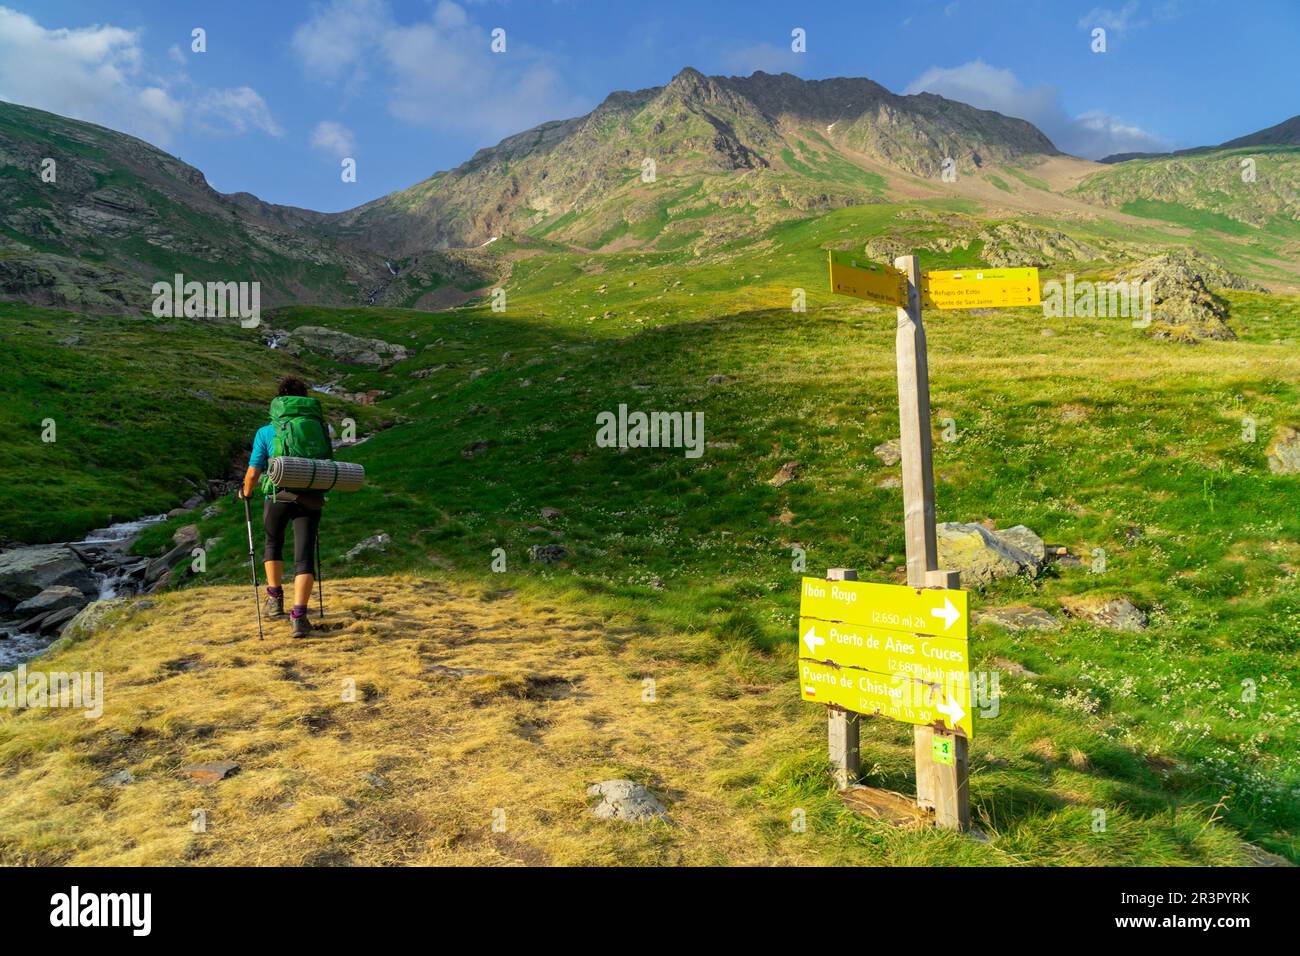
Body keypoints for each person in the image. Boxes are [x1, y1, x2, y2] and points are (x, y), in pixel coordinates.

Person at [239, 377, 330, 638]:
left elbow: (254, 471)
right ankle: (299, 617)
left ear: (279, 401)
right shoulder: (319, 428)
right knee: (304, 556)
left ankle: (274, 599)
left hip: (278, 496)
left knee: (272, 544)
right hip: (311, 496)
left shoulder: (267, 432)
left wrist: (246, 492)